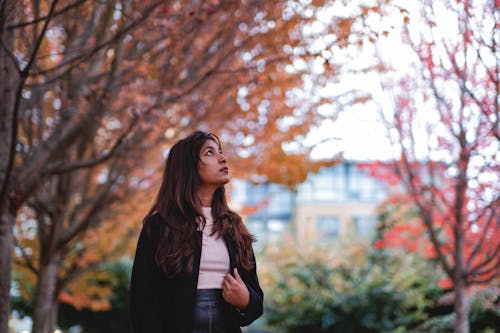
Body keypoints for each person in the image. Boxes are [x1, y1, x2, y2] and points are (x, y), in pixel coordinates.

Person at [130, 130, 263, 333]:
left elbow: (256, 304)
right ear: (187, 168)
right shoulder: (159, 226)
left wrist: (245, 300)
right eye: (209, 153)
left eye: (220, 151)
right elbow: (143, 302)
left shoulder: (234, 226)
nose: (222, 158)